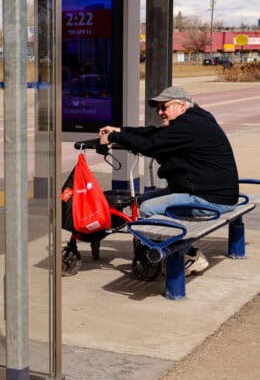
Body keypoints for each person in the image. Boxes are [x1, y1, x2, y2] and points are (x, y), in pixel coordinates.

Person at [99, 85, 239, 275]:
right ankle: (170, 249)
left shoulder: (189, 125)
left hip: (210, 199)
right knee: (141, 200)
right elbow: (154, 134)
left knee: (148, 208)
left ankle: (189, 256)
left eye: (164, 107)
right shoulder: (196, 118)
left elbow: (151, 145)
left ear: (182, 105)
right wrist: (121, 130)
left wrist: (115, 137)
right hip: (210, 192)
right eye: (158, 108)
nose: (160, 112)